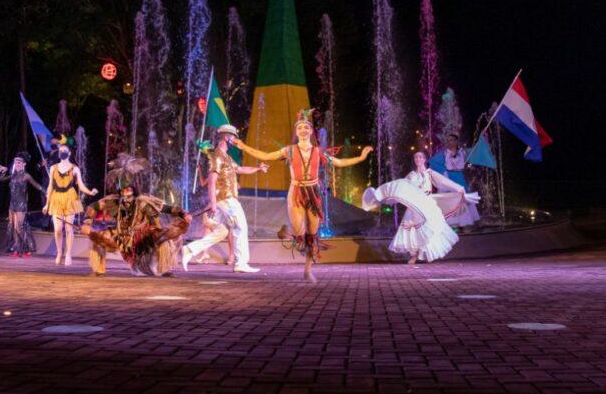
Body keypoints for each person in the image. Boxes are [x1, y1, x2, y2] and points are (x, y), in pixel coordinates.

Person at [232, 110, 372, 283]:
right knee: (300, 235)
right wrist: (243, 146)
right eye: (300, 128)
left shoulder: (318, 152)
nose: (303, 130)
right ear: (296, 132)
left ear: (311, 131)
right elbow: (266, 156)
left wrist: (361, 157)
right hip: (296, 192)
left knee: (312, 236)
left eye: (306, 127)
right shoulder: (289, 150)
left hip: (313, 193)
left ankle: (307, 270)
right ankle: (287, 232)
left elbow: (339, 162)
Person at [363, 150, 480, 264]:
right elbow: (400, 187)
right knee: (414, 231)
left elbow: (444, 181)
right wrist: (385, 196)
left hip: (427, 203)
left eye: (420, 157)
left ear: (424, 159)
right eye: (416, 157)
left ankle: (428, 254)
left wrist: (458, 188)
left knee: (430, 228)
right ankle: (414, 255)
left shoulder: (429, 173)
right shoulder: (411, 175)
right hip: (414, 206)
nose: (418, 159)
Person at [181, 124, 267, 274]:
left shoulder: (226, 157)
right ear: (227, 138)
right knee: (241, 226)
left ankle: (189, 249)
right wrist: (213, 203)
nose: (235, 141)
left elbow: (240, 169)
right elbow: (211, 181)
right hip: (226, 199)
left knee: (221, 232)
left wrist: (258, 168)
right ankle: (241, 263)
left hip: (225, 200)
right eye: (234, 138)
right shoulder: (217, 156)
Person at [81, 183, 191, 277]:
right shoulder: (113, 201)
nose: (125, 193)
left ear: (133, 191)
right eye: (123, 190)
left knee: (163, 238)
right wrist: (87, 223)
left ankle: (164, 269)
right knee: (99, 237)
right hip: (124, 237)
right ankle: (99, 269)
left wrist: (183, 214)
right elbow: (93, 207)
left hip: (143, 236)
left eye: (128, 190)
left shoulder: (143, 202)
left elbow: (165, 208)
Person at [44, 135, 98, 266]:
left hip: (70, 197)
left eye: (64, 151)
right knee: (58, 229)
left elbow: (81, 185)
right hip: (56, 198)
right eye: (60, 151)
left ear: (69, 153)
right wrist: (47, 204)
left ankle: (68, 254)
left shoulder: (75, 168)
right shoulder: (53, 168)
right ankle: (59, 252)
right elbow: (50, 186)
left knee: (69, 228)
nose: (62, 153)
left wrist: (90, 192)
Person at [0, 151, 44, 257]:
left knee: (20, 227)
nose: (17, 164)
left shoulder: (26, 176)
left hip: (21, 204)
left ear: (24, 164)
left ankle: (26, 248)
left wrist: (47, 192)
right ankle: (17, 249)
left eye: (19, 163)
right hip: (12, 204)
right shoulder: (13, 175)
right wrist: (4, 171)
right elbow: (1, 179)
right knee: (13, 227)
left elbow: (37, 185)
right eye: (16, 163)